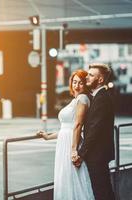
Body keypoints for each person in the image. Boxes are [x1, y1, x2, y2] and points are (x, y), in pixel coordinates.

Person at [37, 69, 94, 200]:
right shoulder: (75, 99)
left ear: (85, 85)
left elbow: (78, 125)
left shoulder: (83, 98)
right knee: (66, 176)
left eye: (80, 82)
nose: (76, 85)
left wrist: (74, 150)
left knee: (72, 176)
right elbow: (65, 128)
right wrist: (48, 136)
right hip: (64, 141)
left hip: (71, 143)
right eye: (74, 82)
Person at [73, 63, 115, 200]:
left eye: (91, 75)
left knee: (101, 192)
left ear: (101, 79)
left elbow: (94, 130)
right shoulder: (98, 96)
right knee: (104, 190)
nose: (87, 77)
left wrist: (80, 154)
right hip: (99, 154)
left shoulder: (102, 98)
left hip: (97, 155)